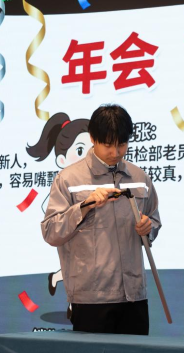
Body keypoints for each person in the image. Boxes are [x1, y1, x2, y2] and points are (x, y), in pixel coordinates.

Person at [41, 104, 161, 335]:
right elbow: (51, 232)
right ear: (93, 139)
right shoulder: (68, 179)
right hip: (91, 297)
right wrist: (84, 206)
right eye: (108, 144)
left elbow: (154, 221)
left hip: (134, 295)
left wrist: (149, 228)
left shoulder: (140, 177)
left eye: (122, 144)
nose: (115, 152)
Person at [27, 112, 92, 299]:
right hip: (70, 237)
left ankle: (56, 278)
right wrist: (75, 215)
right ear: (61, 160)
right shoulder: (62, 183)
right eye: (80, 151)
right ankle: (70, 299)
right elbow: (50, 219)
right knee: (75, 270)